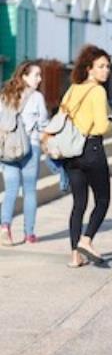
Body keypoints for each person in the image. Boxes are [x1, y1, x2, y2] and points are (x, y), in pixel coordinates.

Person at [62, 45, 112, 268]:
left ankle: (75, 256)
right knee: (103, 200)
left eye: (108, 66)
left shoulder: (73, 89)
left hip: (71, 152)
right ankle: (86, 239)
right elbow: (101, 125)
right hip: (92, 149)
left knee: (78, 204)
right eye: (101, 66)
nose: (106, 71)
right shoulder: (97, 91)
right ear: (89, 69)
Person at [0, 61, 48, 246]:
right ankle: (29, 234)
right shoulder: (36, 97)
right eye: (36, 75)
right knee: (29, 192)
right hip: (30, 148)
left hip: (8, 150)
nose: (39, 79)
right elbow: (43, 124)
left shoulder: (4, 95)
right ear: (24, 76)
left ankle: (5, 227)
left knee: (10, 190)